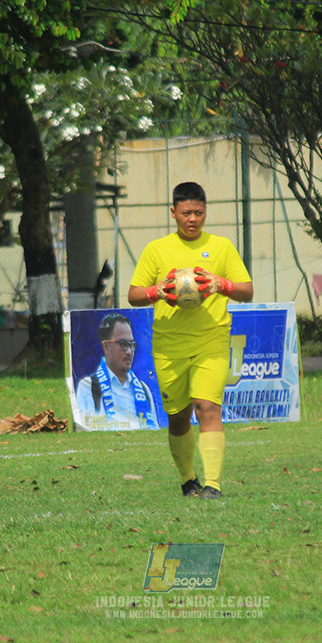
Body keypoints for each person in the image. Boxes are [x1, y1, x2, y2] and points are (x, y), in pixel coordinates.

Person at [128, 182, 253, 499]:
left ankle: (213, 484)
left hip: (211, 340)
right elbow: (134, 295)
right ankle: (189, 480)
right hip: (169, 345)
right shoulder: (156, 250)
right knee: (179, 416)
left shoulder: (222, 247)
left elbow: (246, 290)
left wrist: (220, 284)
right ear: (174, 213)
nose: (193, 219)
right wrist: (157, 292)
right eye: (186, 213)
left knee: (207, 407)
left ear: (206, 211)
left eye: (198, 212)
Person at [75, 313, 159, 430]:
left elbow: (154, 433)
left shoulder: (144, 389)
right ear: (106, 347)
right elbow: (86, 431)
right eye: (123, 344)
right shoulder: (89, 386)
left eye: (132, 345)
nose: (129, 351)